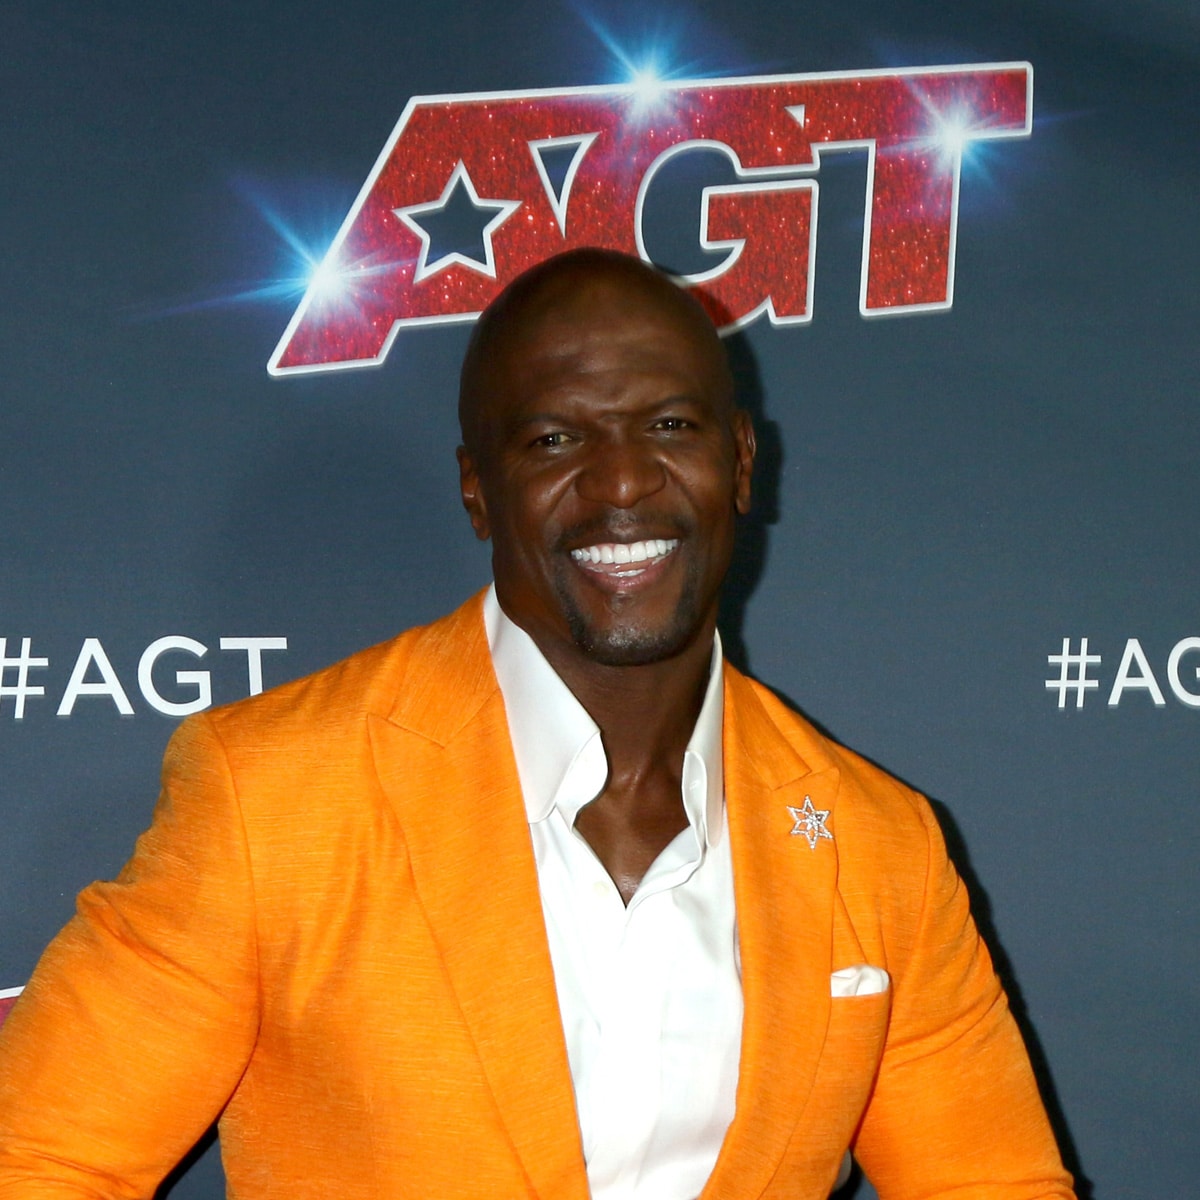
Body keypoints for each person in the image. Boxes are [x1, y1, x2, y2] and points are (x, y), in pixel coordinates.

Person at [0, 249, 1073, 1199]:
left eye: (669, 425)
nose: (621, 480)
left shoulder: (879, 845)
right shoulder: (274, 795)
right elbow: (41, 1161)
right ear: (478, 491)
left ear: (741, 462)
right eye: (557, 437)